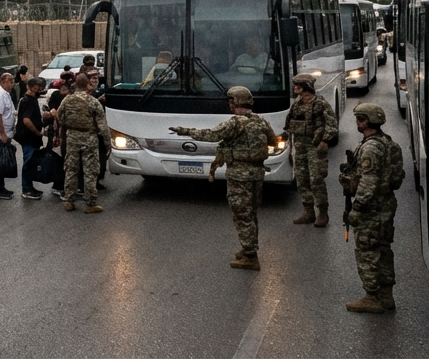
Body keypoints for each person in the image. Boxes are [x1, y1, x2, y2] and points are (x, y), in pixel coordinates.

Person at [170, 87, 276, 270]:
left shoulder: (234, 123)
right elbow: (273, 141)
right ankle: (248, 248)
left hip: (239, 175)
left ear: (233, 103)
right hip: (257, 174)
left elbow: (211, 135)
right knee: (251, 213)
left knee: (242, 214)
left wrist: (184, 130)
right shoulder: (261, 120)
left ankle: (250, 257)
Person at [342, 102, 404, 313]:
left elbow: (368, 182)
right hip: (386, 204)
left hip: (372, 207)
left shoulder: (370, 147)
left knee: (367, 251)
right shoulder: (387, 142)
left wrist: (357, 208)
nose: (357, 123)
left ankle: (372, 296)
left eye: (359, 118)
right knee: (383, 249)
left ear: (365, 121)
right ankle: (386, 295)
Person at [284, 73, 338, 227]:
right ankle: (308, 211)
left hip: (315, 146)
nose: (295, 88)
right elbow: (290, 125)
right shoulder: (296, 104)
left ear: (305, 87)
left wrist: (325, 140)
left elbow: (332, 125)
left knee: (316, 180)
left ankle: (322, 213)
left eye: (297, 85)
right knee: (302, 179)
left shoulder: (320, 104)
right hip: (299, 146)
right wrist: (290, 148)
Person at [56, 73, 110, 213]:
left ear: (75, 85)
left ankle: (69, 201)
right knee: (90, 171)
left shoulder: (67, 100)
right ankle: (90, 203)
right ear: (87, 85)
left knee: (71, 169)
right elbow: (102, 126)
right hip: (89, 139)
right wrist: (107, 144)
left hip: (72, 137)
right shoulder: (93, 102)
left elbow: (60, 116)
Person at [15, 77, 47, 200]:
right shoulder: (28, 101)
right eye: (39, 88)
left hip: (30, 137)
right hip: (28, 137)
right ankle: (26, 188)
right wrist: (37, 132)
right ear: (34, 87)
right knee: (28, 162)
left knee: (31, 161)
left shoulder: (31, 99)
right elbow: (26, 120)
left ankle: (29, 186)